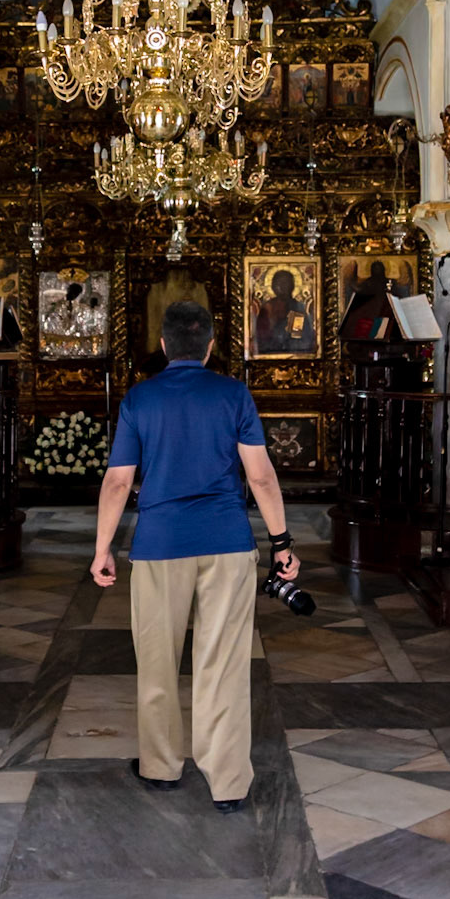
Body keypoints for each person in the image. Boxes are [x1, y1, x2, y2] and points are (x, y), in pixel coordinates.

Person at [91, 298, 298, 813]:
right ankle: (228, 781)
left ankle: (160, 767)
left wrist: (103, 550)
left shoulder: (140, 398)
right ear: (209, 346)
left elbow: (118, 482)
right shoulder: (233, 394)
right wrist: (282, 544)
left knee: (157, 661)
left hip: (159, 546)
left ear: (163, 346)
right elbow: (262, 476)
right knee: (224, 664)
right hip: (228, 543)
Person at [253, 267, 315, 354]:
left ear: (292, 286)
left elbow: (297, 339)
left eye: (286, 284)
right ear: (273, 286)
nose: (283, 288)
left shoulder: (296, 308)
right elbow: (261, 338)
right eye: (279, 284)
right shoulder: (268, 308)